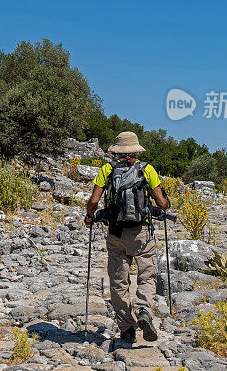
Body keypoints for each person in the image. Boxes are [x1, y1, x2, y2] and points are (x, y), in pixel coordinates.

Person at [84, 131, 170, 345]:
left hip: (115, 233)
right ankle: (143, 310)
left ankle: (127, 328)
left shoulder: (108, 169)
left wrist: (89, 216)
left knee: (118, 281)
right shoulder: (146, 169)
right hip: (142, 232)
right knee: (147, 276)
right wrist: (165, 205)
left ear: (117, 150)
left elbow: (94, 200)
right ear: (136, 149)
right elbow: (161, 202)